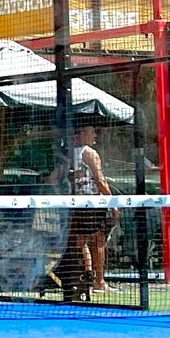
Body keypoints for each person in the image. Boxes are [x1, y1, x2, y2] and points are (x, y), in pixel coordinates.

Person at [70, 117, 114, 290]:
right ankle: (99, 282)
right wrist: (112, 202)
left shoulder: (69, 154)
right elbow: (99, 180)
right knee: (98, 240)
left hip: (77, 204)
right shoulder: (90, 153)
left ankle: (87, 277)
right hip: (93, 203)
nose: (95, 135)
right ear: (82, 133)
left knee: (81, 241)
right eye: (92, 131)